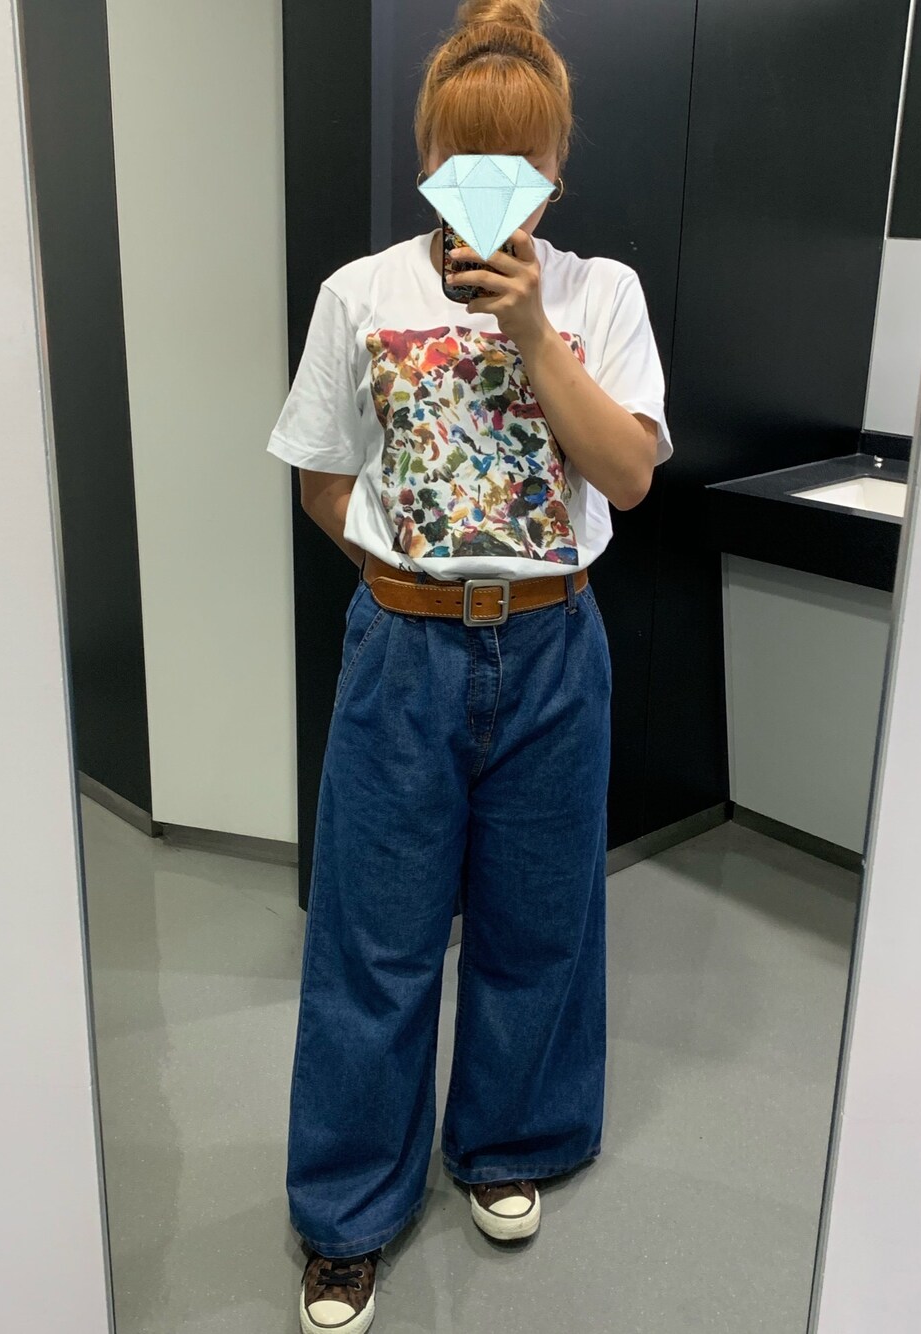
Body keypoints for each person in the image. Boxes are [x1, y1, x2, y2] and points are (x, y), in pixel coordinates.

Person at [266, 1, 674, 1329]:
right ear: (428, 158)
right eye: (463, 158)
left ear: (555, 168)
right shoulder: (362, 294)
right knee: (372, 938)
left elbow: (628, 475)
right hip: (407, 649)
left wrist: (535, 331)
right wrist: (413, 580)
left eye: (521, 162)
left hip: (555, 642)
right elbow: (324, 480)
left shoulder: (602, 294)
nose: (493, 185)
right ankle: (346, 1212)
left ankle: (509, 1141)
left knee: (538, 919)